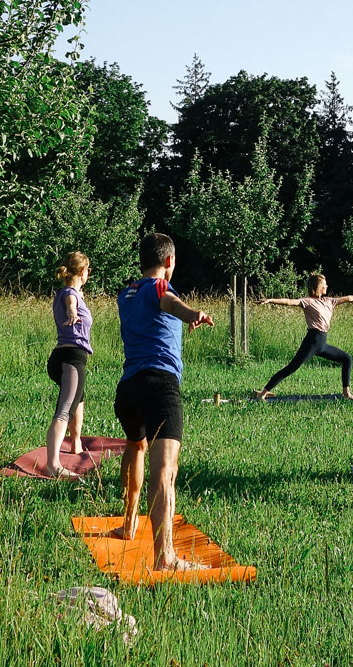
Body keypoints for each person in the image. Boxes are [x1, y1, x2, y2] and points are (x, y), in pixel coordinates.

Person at [110, 232, 215, 572]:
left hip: (128, 389)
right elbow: (169, 302)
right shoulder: (160, 288)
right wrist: (192, 313)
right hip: (159, 386)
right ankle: (165, 558)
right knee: (165, 471)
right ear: (169, 261)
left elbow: (155, 311)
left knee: (135, 447)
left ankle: (129, 525)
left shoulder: (126, 294)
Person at [250, 274, 353, 400]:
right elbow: (289, 302)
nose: (327, 286)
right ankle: (263, 394)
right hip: (312, 341)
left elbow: (348, 298)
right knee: (291, 368)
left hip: (322, 343)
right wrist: (270, 300)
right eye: (324, 284)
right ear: (318, 287)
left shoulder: (330, 301)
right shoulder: (307, 301)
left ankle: (346, 393)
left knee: (347, 358)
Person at [44, 251, 93, 478]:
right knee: (64, 410)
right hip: (70, 360)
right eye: (88, 271)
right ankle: (53, 465)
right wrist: (73, 312)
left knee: (78, 398)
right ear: (83, 272)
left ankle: (76, 444)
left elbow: (73, 297)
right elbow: (71, 302)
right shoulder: (70, 294)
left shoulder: (68, 291)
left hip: (65, 358)